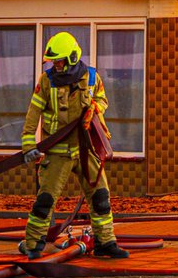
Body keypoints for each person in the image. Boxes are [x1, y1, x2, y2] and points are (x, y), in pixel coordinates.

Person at [18, 32, 128, 260]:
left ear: (71, 58)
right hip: (58, 152)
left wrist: (94, 109)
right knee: (45, 201)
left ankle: (105, 243)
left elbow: (102, 99)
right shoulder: (46, 81)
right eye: (53, 62)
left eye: (58, 61)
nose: (55, 65)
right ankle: (33, 245)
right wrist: (28, 143)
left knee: (100, 198)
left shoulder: (91, 77)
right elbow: (33, 112)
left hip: (86, 148)